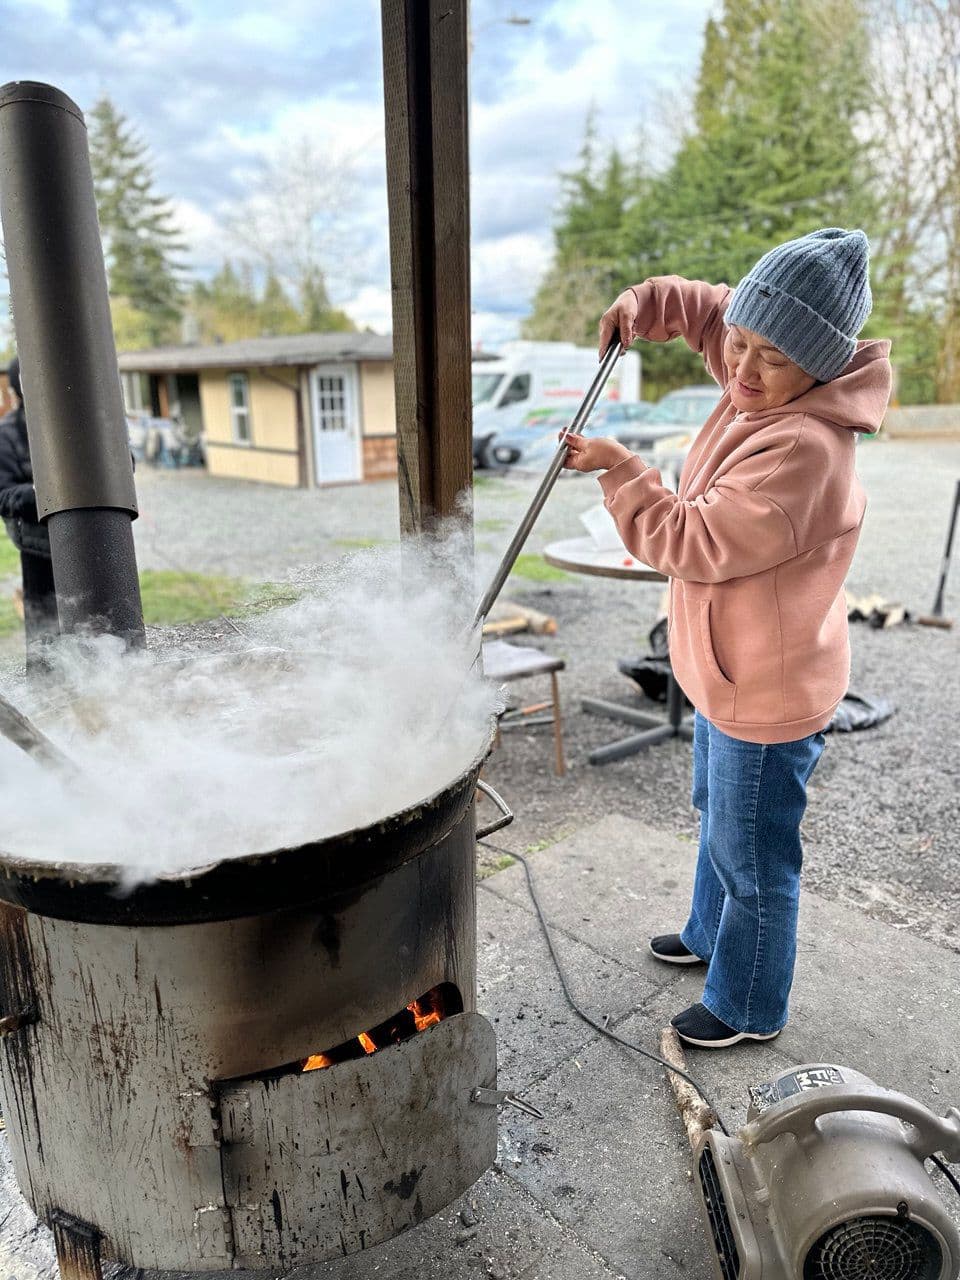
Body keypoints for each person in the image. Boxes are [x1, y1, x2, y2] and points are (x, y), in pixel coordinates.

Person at [563, 228, 892, 1048]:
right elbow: (711, 310)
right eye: (739, 346)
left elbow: (690, 542)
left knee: (754, 856)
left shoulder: (803, 448)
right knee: (717, 814)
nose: (740, 370)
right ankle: (710, 939)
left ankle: (748, 1002)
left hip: (768, 690)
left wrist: (620, 470)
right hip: (726, 674)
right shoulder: (762, 380)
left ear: (818, 364)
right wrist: (643, 305)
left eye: (769, 358)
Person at [0, 356, 59, 672]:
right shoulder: (6, 435)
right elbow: (3, 497)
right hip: (38, 550)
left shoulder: (82, 420)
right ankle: (47, 700)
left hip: (91, 541)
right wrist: (44, 491)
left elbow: (125, 464)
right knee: (45, 639)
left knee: (99, 627)